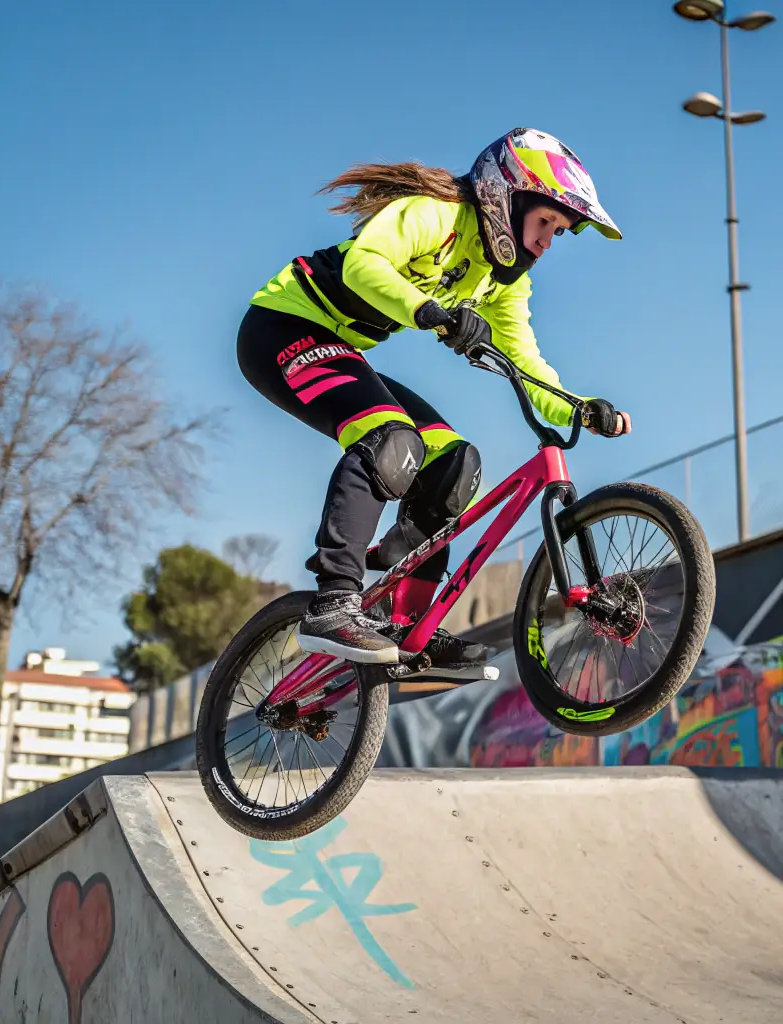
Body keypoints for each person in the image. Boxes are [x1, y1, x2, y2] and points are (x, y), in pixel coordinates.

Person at [236, 128, 631, 667]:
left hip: (341, 347)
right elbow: (363, 265)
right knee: (390, 442)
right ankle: (332, 603)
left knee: (454, 462)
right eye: (545, 222)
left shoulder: (504, 281)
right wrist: (427, 310)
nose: (546, 242)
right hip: (282, 328)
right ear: (504, 197)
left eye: (559, 233)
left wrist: (579, 405)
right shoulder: (434, 216)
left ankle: (407, 623)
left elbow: (527, 364)